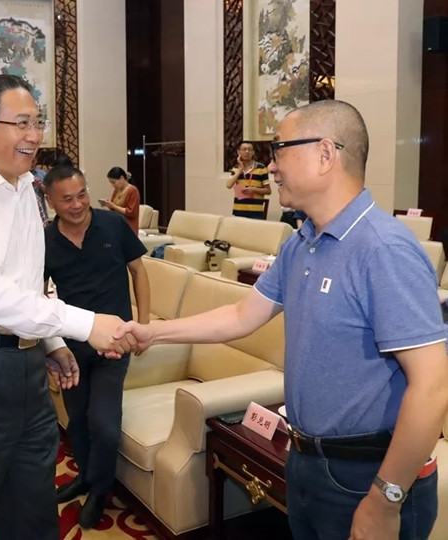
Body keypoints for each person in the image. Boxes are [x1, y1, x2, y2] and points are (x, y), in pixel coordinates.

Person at [116, 100, 448, 540]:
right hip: (307, 459)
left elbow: (433, 385)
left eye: (279, 150)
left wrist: (386, 499)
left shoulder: (383, 249)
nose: (271, 166)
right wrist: (153, 332)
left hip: (368, 473)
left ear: (325, 154)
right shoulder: (301, 242)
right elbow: (241, 315)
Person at [0, 74, 132, 540]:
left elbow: (32, 281)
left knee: (33, 509)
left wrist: (50, 341)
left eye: (38, 122)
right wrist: (83, 325)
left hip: (26, 367)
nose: (34, 135)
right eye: (22, 123)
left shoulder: (26, 188)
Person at [43, 165, 151, 528]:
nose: (77, 205)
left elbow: (139, 272)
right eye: (67, 199)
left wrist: (144, 325)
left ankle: (100, 491)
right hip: (70, 347)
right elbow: (36, 296)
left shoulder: (113, 224)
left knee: (103, 422)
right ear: (50, 201)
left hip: (114, 344)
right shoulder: (44, 239)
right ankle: (85, 477)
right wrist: (50, 345)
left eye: (82, 195)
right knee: (77, 420)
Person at [226, 141, 271, 219]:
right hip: (239, 211)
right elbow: (228, 185)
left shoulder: (261, 168)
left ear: (253, 152)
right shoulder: (236, 168)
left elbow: (268, 191)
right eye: (244, 149)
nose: (247, 152)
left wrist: (253, 189)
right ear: (238, 152)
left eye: (249, 149)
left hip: (256, 212)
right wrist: (240, 170)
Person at [100, 167, 140, 232]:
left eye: (114, 182)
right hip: (117, 225)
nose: (113, 185)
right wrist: (108, 204)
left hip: (128, 227)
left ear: (122, 178)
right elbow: (113, 208)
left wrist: (113, 206)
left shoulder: (133, 191)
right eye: (111, 183)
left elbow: (131, 212)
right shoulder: (116, 190)